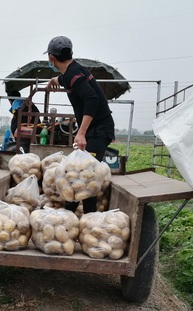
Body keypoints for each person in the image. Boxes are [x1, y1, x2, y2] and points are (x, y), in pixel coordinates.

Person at [44, 35, 115, 213]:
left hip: (98, 130)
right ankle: (69, 213)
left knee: (88, 176)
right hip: (94, 130)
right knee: (81, 173)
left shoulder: (74, 73)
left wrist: (81, 132)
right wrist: (54, 80)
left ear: (51, 58)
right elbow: (64, 79)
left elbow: (92, 99)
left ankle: (87, 220)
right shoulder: (70, 72)